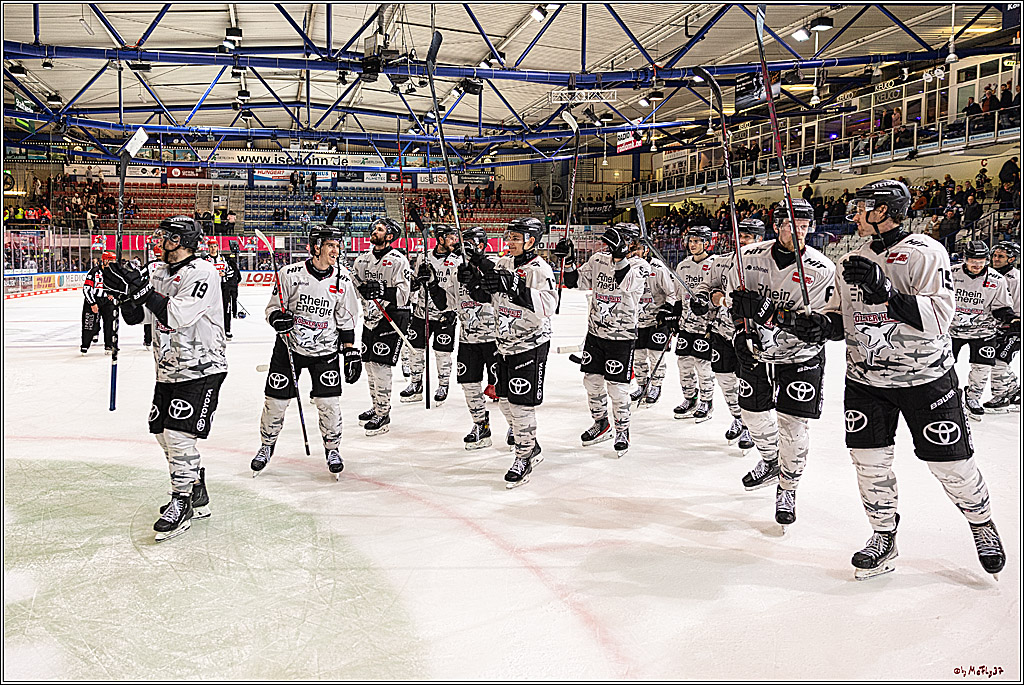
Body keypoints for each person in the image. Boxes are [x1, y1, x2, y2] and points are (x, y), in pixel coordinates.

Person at [792, 179, 1005, 579]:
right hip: (865, 382)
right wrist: (821, 326)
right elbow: (844, 318)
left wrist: (885, 290)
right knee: (869, 463)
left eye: (862, 207)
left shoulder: (927, 252)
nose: (854, 214)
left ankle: (981, 521)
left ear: (885, 210)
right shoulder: (849, 260)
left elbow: (940, 320)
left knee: (952, 465)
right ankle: (883, 534)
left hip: (925, 379)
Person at [102, 215, 227, 542]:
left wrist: (140, 290)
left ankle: (182, 500)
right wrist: (122, 292)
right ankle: (195, 489)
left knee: (177, 433)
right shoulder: (158, 271)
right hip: (169, 368)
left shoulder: (203, 273)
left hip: (202, 365)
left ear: (185, 241)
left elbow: (177, 314)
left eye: (169, 236)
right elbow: (136, 317)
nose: (162, 240)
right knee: (160, 430)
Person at [724, 199, 835, 528]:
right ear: (777, 226)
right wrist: (739, 316)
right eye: (791, 225)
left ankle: (788, 487)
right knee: (753, 416)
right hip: (755, 351)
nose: (799, 232)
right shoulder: (749, 257)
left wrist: (770, 313)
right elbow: (734, 301)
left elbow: (813, 327)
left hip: (799, 356)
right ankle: (772, 461)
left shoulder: (821, 268)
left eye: (805, 226)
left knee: (793, 426)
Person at [250, 226, 361, 479]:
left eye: (337, 245)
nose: (336, 250)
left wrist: (351, 350)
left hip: (325, 350)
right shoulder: (289, 274)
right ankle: (266, 445)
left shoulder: (343, 280)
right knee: (275, 402)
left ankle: (332, 449)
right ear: (315, 247)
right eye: (330, 245)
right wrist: (277, 318)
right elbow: (273, 308)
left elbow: (346, 319)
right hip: (289, 347)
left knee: (329, 404)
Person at [464, 217, 556, 487]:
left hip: (530, 343)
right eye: (509, 237)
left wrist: (515, 288)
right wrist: (474, 284)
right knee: (504, 400)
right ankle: (530, 442)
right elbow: (489, 296)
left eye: (517, 237)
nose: (511, 242)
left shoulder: (540, 269)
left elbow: (549, 305)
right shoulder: (503, 263)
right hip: (503, 343)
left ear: (531, 240)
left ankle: (524, 455)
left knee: (521, 404)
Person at [557, 223, 645, 456]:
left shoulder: (639, 265)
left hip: (622, 335)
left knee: (617, 389)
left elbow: (628, 285)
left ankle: (623, 430)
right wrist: (569, 260)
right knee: (592, 382)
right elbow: (575, 282)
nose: (613, 242)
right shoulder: (597, 259)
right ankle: (601, 422)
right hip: (595, 334)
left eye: (622, 239)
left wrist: (619, 257)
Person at [692, 218, 767, 452]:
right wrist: (702, 299)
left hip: (752, 336)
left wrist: (721, 298)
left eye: (747, 236)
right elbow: (708, 286)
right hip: (722, 331)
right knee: (725, 378)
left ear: (759, 239)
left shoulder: (767, 265)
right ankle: (738, 417)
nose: (741, 240)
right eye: (739, 235)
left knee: (748, 383)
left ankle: (751, 426)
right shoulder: (722, 262)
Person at [351, 217, 412, 436]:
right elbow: (356, 288)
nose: (374, 231)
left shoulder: (398, 260)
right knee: (368, 364)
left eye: (379, 229)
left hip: (392, 316)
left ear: (389, 236)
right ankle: (376, 406)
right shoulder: (362, 260)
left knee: (380, 366)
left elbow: (404, 295)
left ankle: (384, 413)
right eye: (374, 228)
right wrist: (363, 289)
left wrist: (380, 291)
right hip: (370, 317)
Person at [950, 241, 1015, 421]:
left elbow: (1001, 307)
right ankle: (946, 395)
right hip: (952, 330)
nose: (977, 264)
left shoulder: (997, 279)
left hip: (983, 330)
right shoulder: (950, 273)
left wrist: (1012, 319)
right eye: (972, 260)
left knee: (982, 367)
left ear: (986, 260)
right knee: (944, 364)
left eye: (981, 260)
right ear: (965, 259)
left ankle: (973, 398)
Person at [449, 226, 501, 449]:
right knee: (469, 385)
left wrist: (476, 279)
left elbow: (499, 297)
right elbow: (447, 304)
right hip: (467, 339)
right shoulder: (456, 271)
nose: (466, 248)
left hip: (495, 339)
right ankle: (481, 425)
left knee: (503, 387)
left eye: (471, 243)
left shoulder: (496, 266)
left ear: (481, 245)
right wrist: (430, 283)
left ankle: (514, 427)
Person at [403, 224, 462, 405]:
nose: (455, 241)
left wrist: (456, 311)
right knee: (416, 350)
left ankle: (443, 384)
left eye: (455, 238)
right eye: (451, 238)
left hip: (445, 314)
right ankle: (415, 383)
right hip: (422, 311)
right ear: (440, 239)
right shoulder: (425, 257)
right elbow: (414, 282)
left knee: (442, 353)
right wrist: (417, 281)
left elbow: (461, 290)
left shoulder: (458, 259)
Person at [670, 226, 718, 422]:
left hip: (706, 325)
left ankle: (707, 401)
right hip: (686, 324)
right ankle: (690, 398)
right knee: (684, 363)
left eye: (698, 241)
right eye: (691, 241)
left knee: (703, 364)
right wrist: (675, 316)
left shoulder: (715, 264)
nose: (693, 245)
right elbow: (679, 295)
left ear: (707, 243)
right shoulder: (683, 265)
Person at [626, 233, 677, 407]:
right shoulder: (628, 267)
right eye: (633, 249)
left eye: (639, 249)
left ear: (647, 250)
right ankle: (642, 384)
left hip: (657, 321)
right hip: (637, 321)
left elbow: (671, 293)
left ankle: (656, 385)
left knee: (655, 356)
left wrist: (666, 310)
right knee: (638, 357)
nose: (636, 253)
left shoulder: (657, 267)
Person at [984, 241, 1021, 412]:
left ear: (1012, 259)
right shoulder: (990, 274)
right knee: (995, 359)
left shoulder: (1016, 279)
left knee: (999, 360)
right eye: (994, 256)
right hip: (995, 325)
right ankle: (1013, 388)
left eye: (1001, 256)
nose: (996, 259)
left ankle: (1002, 394)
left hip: (1014, 326)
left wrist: (1016, 323)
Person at [81, 251, 118, 354]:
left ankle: (109, 345)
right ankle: (85, 345)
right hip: (93, 300)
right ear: (104, 260)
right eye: (110, 260)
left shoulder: (114, 273)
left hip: (107, 301)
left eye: (113, 261)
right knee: (89, 323)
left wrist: (112, 294)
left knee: (110, 323)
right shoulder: (94, 272)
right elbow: (87, 288)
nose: (112, 263)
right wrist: (92, 303)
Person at [206, 239, 241, 340]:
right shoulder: (205, 260)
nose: (213, 248)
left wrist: (224, 274)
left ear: (217, 247)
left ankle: (227, 330)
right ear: (208, 248)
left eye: (215, 246)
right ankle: (210, 331)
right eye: (211, 246)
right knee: (210, 310)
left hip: (224, 287)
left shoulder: (223, 259)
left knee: (226, 309)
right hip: (211, 289)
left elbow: (231, 272)